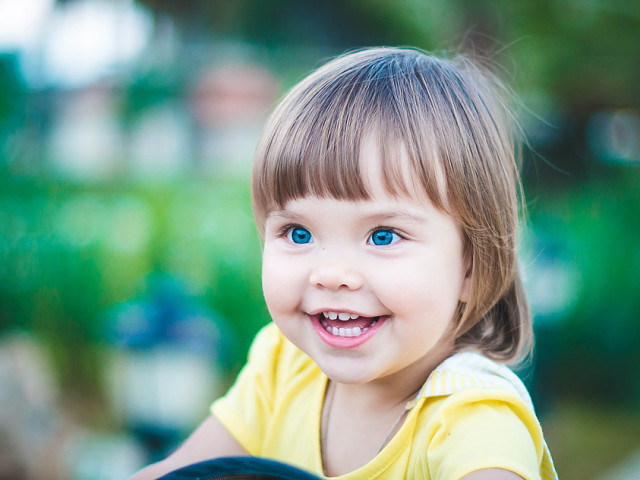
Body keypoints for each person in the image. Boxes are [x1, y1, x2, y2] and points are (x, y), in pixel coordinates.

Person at [131, 47, 558, 480]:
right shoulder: (284, 366)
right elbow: (179, 473)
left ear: (471, 265)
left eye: (383, 236)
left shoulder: (475, 418)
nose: (331, 274)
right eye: (298, 233)